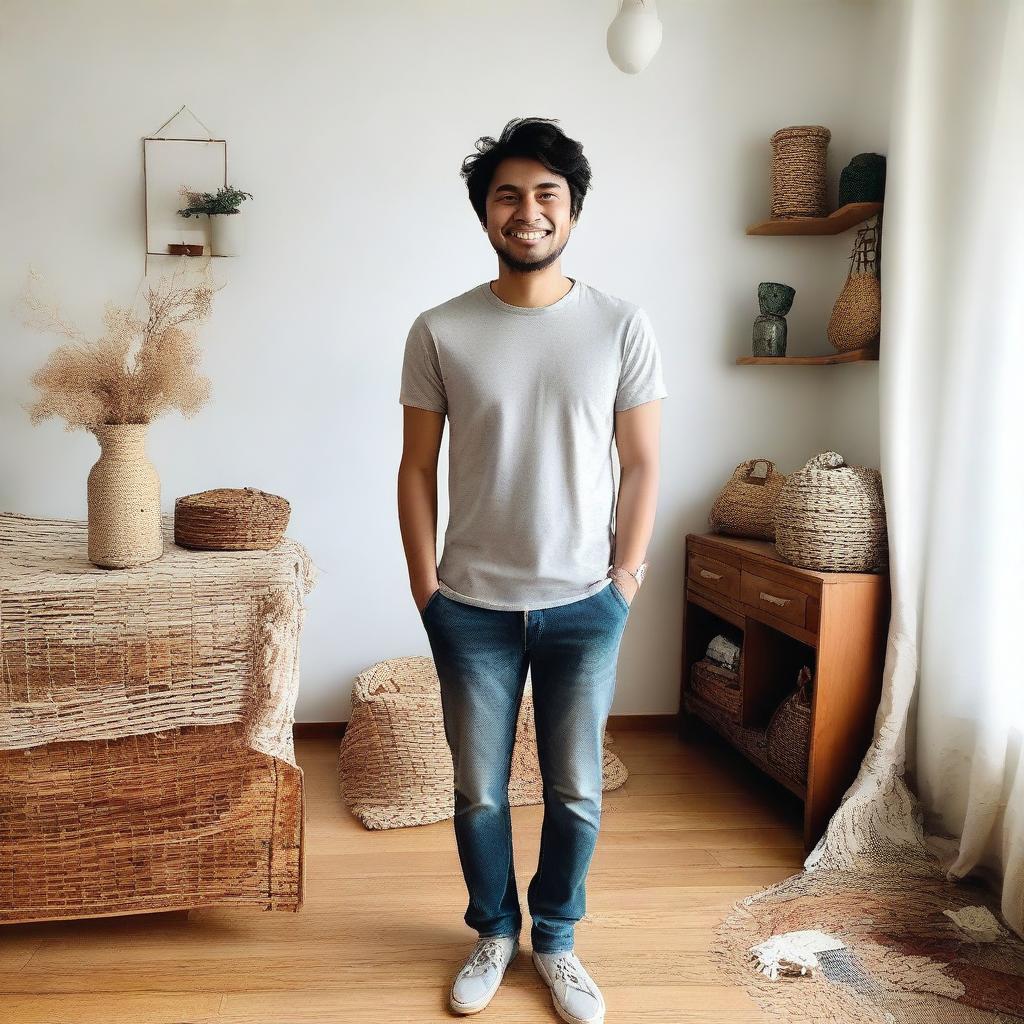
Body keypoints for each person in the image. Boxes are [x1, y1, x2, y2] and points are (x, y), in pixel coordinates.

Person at [397, 116, 667, 1024]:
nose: (528, 211)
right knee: (476, 790)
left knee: (577, 789)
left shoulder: (620, 325)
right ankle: (492, 929)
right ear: (485, 216)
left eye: (547, 193)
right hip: (468, 604)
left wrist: (626, 579)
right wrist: (424, 588)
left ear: (573, 211)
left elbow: (642, 464)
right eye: (508, 195)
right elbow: (416, 467)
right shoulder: (441, 330)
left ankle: (555, 936)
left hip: (586, 602)